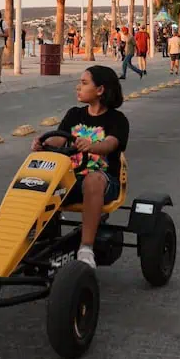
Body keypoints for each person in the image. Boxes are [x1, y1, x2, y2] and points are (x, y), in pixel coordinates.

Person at [32, 65, 129, 269]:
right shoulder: (74, 115)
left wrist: (92, 145)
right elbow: (58, 140)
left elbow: (111, 143)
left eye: (84, 83)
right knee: (36, 176)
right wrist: (42, 144)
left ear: (100, 90)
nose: (78, 87)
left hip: (105, 183)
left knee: (93, 180)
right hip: (72, 181)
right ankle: (19, 233)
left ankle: (86, 248)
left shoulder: (117, 120)